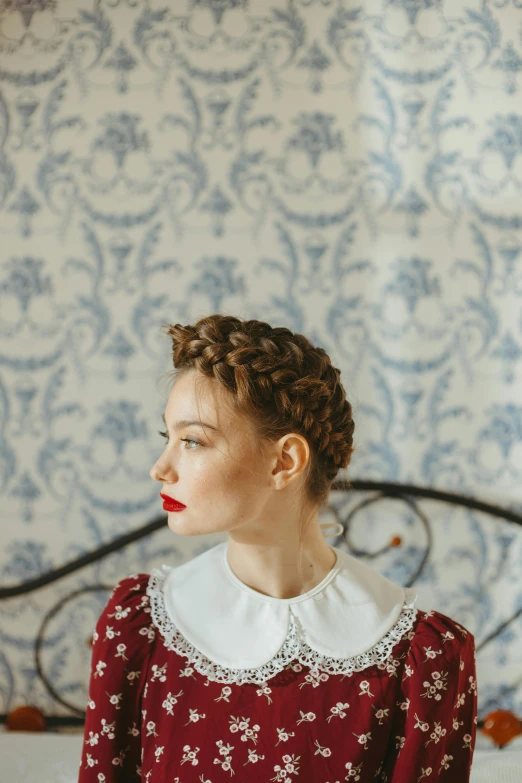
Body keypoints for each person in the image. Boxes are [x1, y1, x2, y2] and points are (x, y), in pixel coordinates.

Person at [78, 314, 478, 782]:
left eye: (192, 440)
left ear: (284, 461)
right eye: (167, 437)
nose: (160, 468)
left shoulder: (423, 659)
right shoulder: (139, 630)